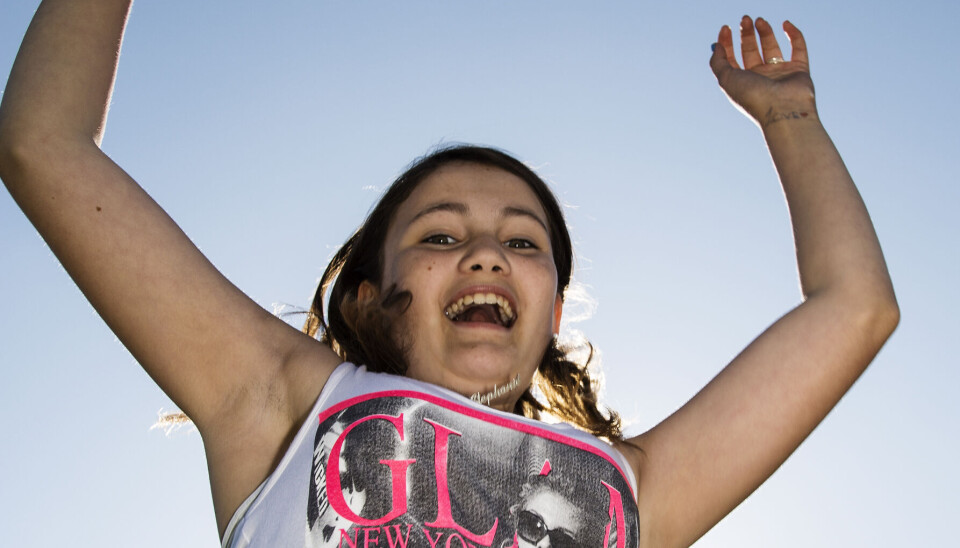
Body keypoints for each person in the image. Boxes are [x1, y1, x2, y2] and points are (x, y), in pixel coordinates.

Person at [0, 1, 899, 547]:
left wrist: (791, 121)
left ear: (553, 314)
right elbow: (42, 145)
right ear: (368, 297)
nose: (486, 254)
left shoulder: (631, 492)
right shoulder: (280, 399)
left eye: (524, 244)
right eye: (439, 235)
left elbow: (857, 309)